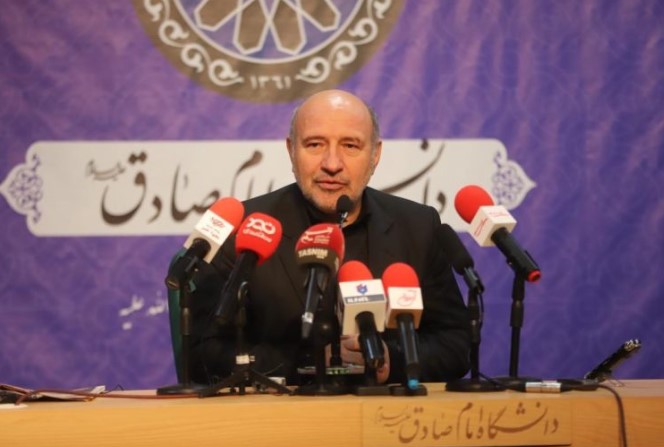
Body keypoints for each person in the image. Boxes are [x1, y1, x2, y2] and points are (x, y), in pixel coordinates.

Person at [190, 89, 470, 386]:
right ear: (291, 151)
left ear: (375, 154)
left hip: (389, 413)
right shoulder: (243, 230)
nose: (332, 164)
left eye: (350, 145)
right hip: (281, 413)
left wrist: (393, 360)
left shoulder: (418, 226)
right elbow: (202, 355)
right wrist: (310, 363)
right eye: (315, 144)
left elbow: (455, 344)